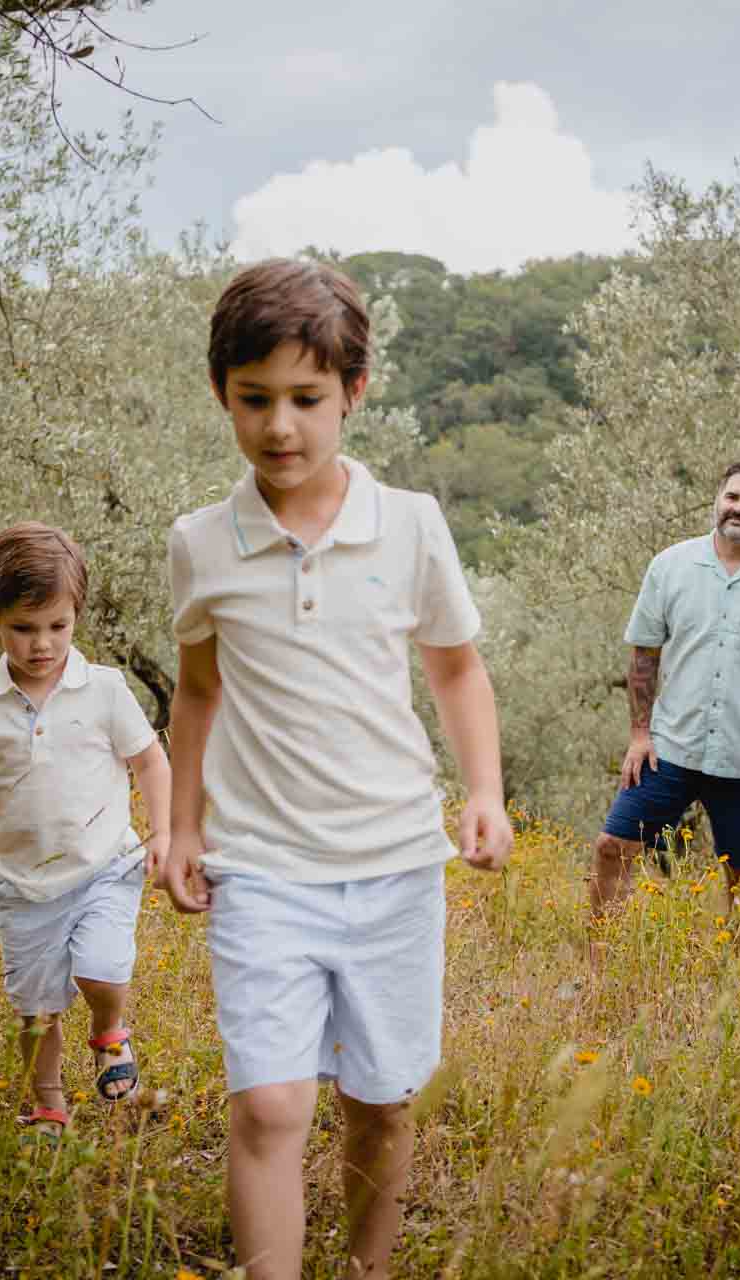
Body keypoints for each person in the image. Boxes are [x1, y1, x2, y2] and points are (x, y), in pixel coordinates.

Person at [162, 259, 513, 1280]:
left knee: (381, 1100)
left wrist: (482, 790)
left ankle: (366, 1267)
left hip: (396, 864)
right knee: (271, 1102)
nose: (280, 427)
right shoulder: (200, 543)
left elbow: (455, 668)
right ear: (221, 391)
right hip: (263, 865)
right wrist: (183, 828)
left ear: (354, 393)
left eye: (307, 400)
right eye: (254, 399)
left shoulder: (409, 524)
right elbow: (196, 692)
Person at [0, 521, 171, 1140]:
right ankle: (47, 1101)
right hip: (25, 887)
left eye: (57, 626)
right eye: (23, 628)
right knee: (36, 1010)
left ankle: (109, 1028)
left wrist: (164, 832)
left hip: (105, 866)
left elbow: (150, 761)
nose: (42, 643)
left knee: (101, 969)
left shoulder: (103, 690)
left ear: (76, 617)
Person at [591, 462, 740, 927]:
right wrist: (639, 735)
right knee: (612, 846)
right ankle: (603, 971)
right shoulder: (670, 566)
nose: (739, 507)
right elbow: (643, 658)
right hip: (669, 749)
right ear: (717, 501)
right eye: (732, 497)